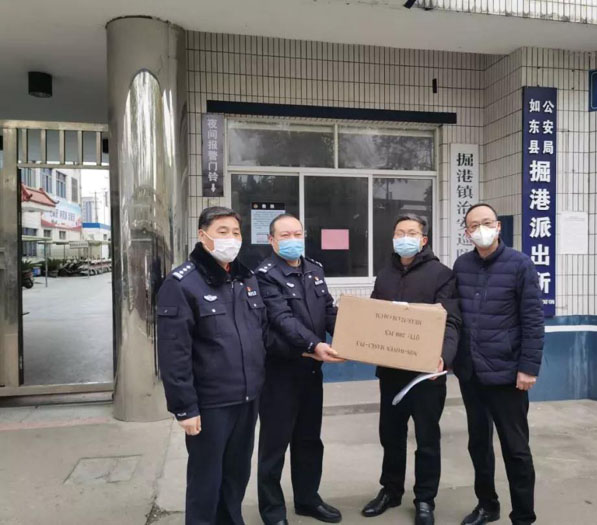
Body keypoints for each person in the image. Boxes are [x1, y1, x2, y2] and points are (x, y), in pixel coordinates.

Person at [156, 206, 269, 525]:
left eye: (236, 232)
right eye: (222, 231)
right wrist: (185, 408)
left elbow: (260, 333)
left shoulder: (246, 279)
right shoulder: (182, 283)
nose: (231, 238)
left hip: (246, 398)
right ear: (202, 235)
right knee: (206, 479)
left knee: (237, 474)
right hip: (210, 404)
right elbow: (174, 352)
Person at [361, 214, 461, 525]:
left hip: (426, 375)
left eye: (412, 233)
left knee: (427, 439)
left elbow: (451, 321)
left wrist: (444, 357)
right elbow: (374, 318)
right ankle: (390, 490)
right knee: (390, 435)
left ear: (423, 240)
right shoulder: (385, 275)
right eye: (400, 232)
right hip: (391, 372)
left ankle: (425, 499)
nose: (405, 237)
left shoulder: (441, 275)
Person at [452, 203, 544, 525]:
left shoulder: (520, 264)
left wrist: (528, 367)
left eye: (487, 223)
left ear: (498, 226)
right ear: (467, 233)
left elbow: (533, 320)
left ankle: (523, 515)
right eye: (474, 225)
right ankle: (487, 505)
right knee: (479, 444)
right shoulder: (461, 266)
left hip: (507, 374)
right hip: (471, 373)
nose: (481, 229)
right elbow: (454, 317)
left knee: (515, 449)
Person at [256, 213, 344, 525]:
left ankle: (307, 499)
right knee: (275, 445)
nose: (293, 240)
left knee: (309, 441)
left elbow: (328, 310)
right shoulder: (265, 276)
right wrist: (314, 344)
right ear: (271, 240)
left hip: (311, 373)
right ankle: (272, 511)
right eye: (285, 235)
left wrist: (354, 334)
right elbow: (281, 319)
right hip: (280, 374)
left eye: (297, 234)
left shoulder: (314, 270)